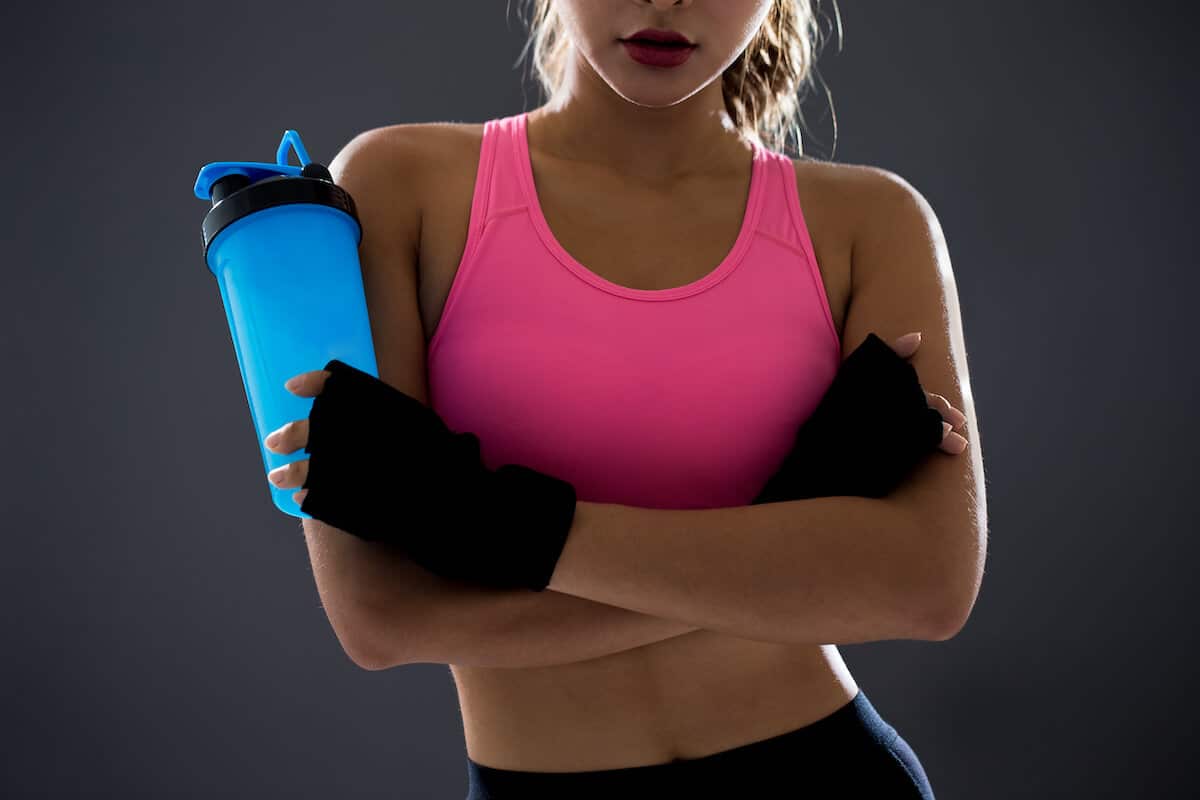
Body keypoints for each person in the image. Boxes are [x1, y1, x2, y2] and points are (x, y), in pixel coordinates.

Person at [278, 1, 982, 797]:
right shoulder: (396, 186)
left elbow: (930, 587)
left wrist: (482, 518)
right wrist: (795, 530)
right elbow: (381, 619)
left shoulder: (871, 221)